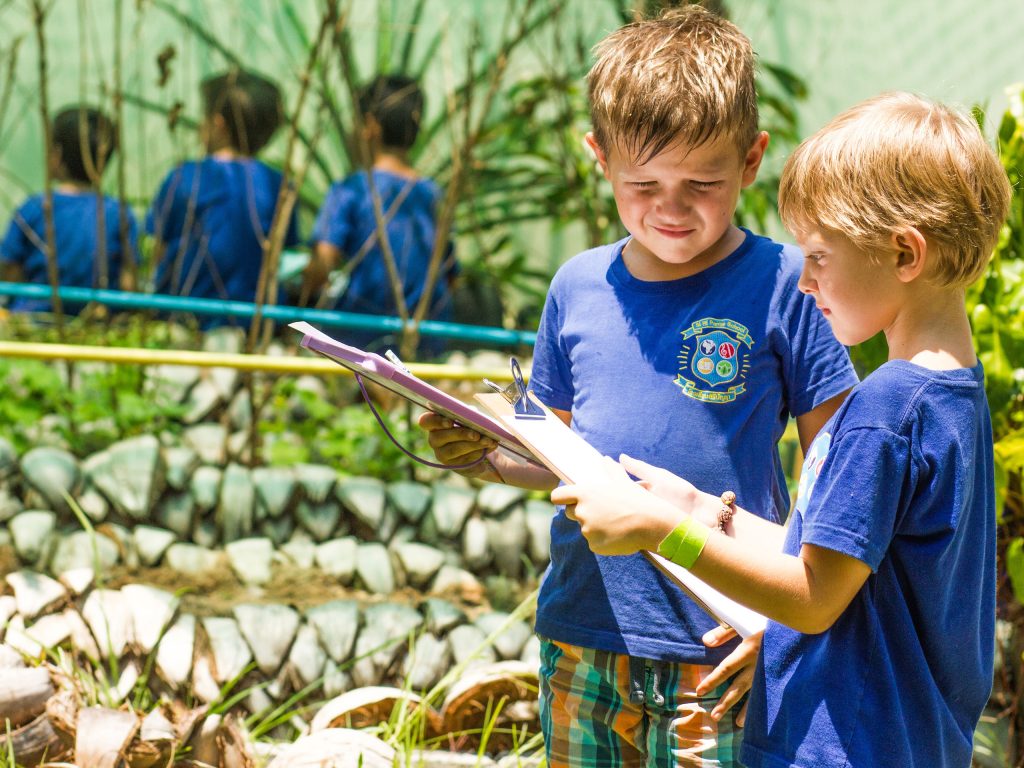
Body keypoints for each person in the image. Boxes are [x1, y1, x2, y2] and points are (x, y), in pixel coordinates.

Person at [419, 7, 858, 766]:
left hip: (722, 638)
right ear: (599, 157)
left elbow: (839, 474)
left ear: (752, 160)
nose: (672, 208)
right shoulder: (578, 285)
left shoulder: (789, 283)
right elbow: (555, 451)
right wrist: (483, 450)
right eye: (643, 182)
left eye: (703, 182)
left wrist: (786, 622)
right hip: (584, 633)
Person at [554, 92, 1011, 768]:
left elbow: (812, 598)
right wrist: (702, 510)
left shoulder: (885, 412)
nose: (806, 282)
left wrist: (662, 532)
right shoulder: (952, 397)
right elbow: (839, 558)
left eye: (820, 258)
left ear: (904, 254)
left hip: (845, 743)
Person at [303, 73, 456, 357]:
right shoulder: (433, 195)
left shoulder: (352, 189)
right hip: (425, 340)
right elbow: (450, 274)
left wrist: (306, 284)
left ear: (369, 127)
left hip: (360, 339)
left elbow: (324, 262)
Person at [146, 69, 299, 328]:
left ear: (218, 124)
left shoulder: (184, 177)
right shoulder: (280, 185)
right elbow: (282, 256)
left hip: (185, 319)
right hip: (256, 325)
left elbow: (158, 253)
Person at [1, 106, 138, 314]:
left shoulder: (36, 208)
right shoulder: (118, 213)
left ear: (56, 154)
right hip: (97, 324)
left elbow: (9, 273)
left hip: (34, 319)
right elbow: (129, 284)